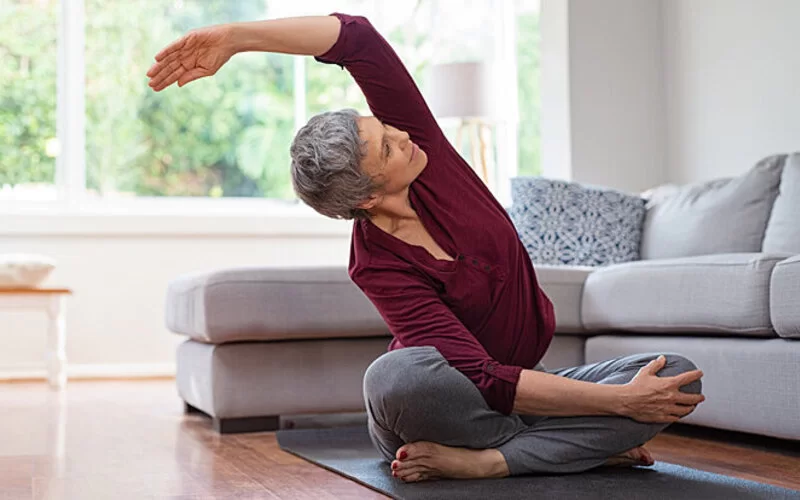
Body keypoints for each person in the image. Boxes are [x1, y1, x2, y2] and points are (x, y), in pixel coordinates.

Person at [147, 12, 705, 483]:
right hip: (447, 405)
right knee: (395, 377)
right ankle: (564, 447)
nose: (406, 136)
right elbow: (481, 377)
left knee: (676, 373)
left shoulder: (429, 156)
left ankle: (495, 460)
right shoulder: (375, 264)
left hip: (511, 401)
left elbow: (357, 38)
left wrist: (236, 38)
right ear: (366, 195)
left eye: (390, 130)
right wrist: (619, 407)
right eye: (388, 147)